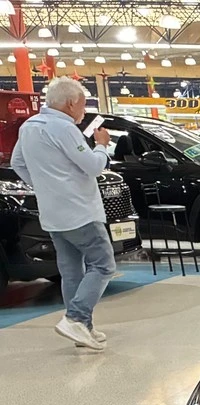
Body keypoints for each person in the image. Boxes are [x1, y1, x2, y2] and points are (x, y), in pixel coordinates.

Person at [11, 77, 114, 352]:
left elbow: (17, 162)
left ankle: (82, 329)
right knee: (103, 264)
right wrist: (102, 145)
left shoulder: (29, 126)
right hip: (80, 211)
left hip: (53, 214)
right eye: (82, 104)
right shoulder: (65, 128)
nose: (83, 111)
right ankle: (76, 318)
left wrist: (45, 186)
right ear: (70, 103)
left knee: (71, 272)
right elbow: (93, 167)